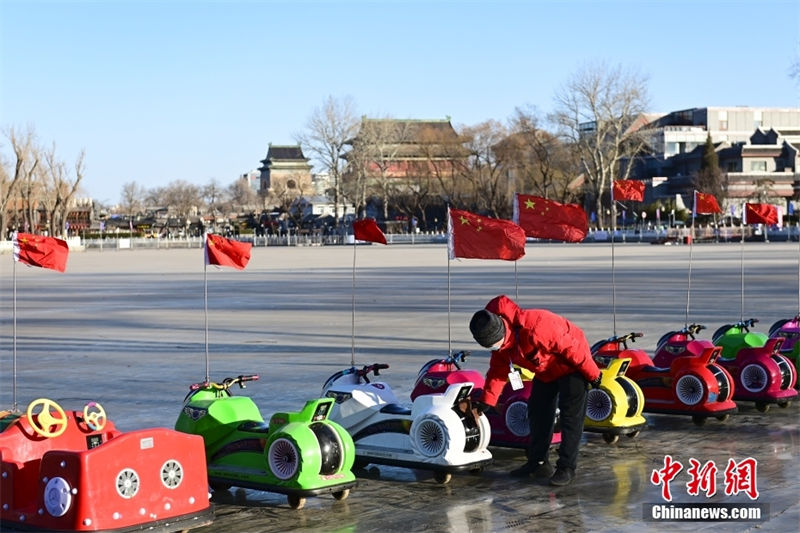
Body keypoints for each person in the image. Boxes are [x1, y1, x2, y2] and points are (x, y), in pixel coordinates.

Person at [469, 295, 601, 486]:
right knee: (537, 411)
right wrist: (487, 401)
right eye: (490, 348)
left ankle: (566, 467)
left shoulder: (536, 325)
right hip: (546, 371)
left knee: (571, 416)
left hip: (573, 366)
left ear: (501, 333)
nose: (494, 349)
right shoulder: (502, 348)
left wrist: (593, 374)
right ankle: (538, 463)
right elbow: (497, 371)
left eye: (494, 345)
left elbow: (573, 349)